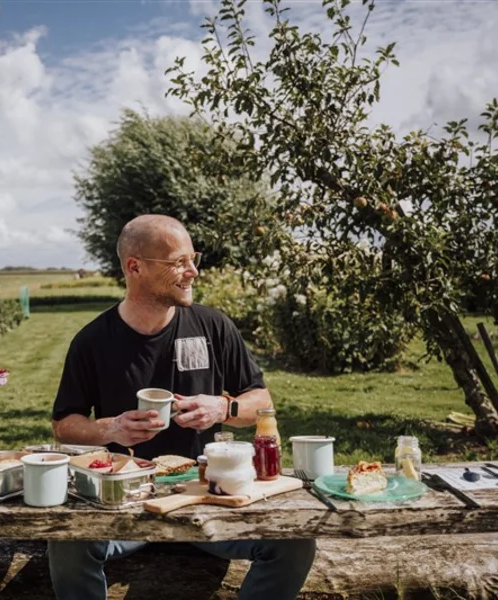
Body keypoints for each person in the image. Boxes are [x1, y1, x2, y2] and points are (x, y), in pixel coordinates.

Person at [48, 214, 315, 600]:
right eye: (178, 262)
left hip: (210, 493)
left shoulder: (213, 326)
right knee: (67, 544)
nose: (192, 272)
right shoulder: (92, 341)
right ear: (134, 267)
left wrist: (222, 409)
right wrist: (110, 429)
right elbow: (64, 424)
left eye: (194, 259)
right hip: (124, 500)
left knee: (295, 544)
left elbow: (262, 403)